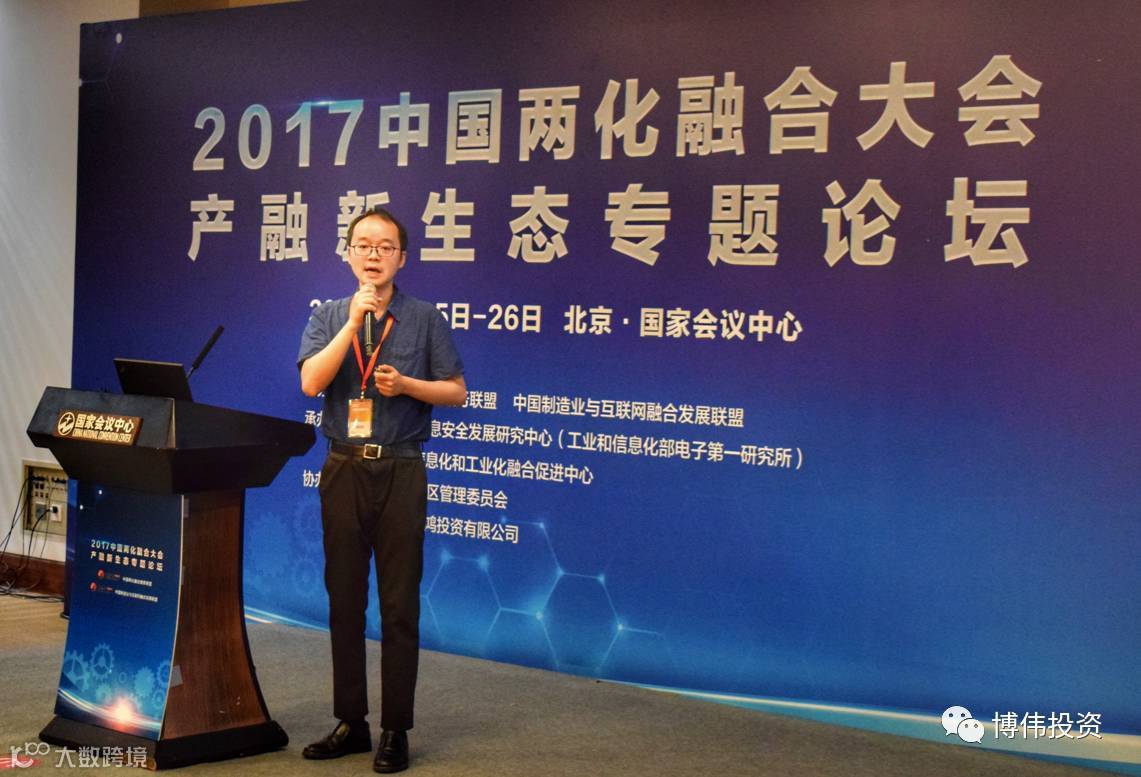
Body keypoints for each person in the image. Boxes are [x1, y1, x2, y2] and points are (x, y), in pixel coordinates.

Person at [297, 208, 466, 773]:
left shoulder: (424, 318)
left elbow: (457, 391)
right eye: (363, 245)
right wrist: (351, 325)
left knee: (399, 605)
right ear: (348, 253)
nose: (373, 254)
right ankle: (352, 722)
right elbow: (311, 382)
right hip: (343, 468)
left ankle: (396, 729)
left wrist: (408, 385)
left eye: (385, 246)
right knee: (344, 601)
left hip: (401, 468)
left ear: (402, 258)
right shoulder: (328, 315)